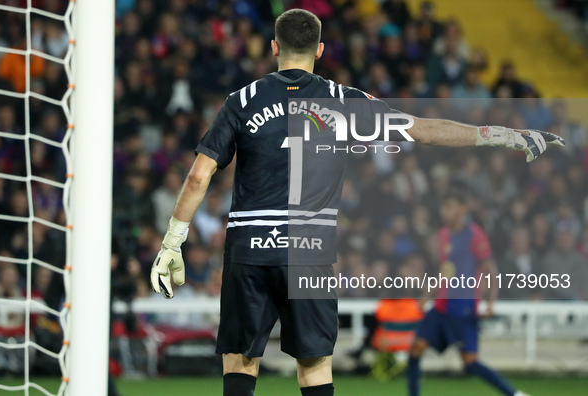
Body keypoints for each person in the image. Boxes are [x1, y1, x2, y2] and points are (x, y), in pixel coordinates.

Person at [149, 9, 564, 396]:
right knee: (314, 366)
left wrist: (172, 242)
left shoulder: (241, 101)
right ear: (320, 50)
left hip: (249, 247)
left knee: (240, 362)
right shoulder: (344, 101)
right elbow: (422, 129)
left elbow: (199, 176)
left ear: (274, 47)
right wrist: (502, 135)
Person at [407, 191, 530, 396]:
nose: (445, 212)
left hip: (462, 306)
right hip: (441, 306)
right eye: (444, 207)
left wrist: (491, 301)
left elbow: (491, 269)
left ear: (462, 209)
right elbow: (445, 271)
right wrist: (428, 296)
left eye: (450, 207)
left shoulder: (475, 234)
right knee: (415, 349)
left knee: (470, 362)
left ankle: (514, 394)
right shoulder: (443, 235)